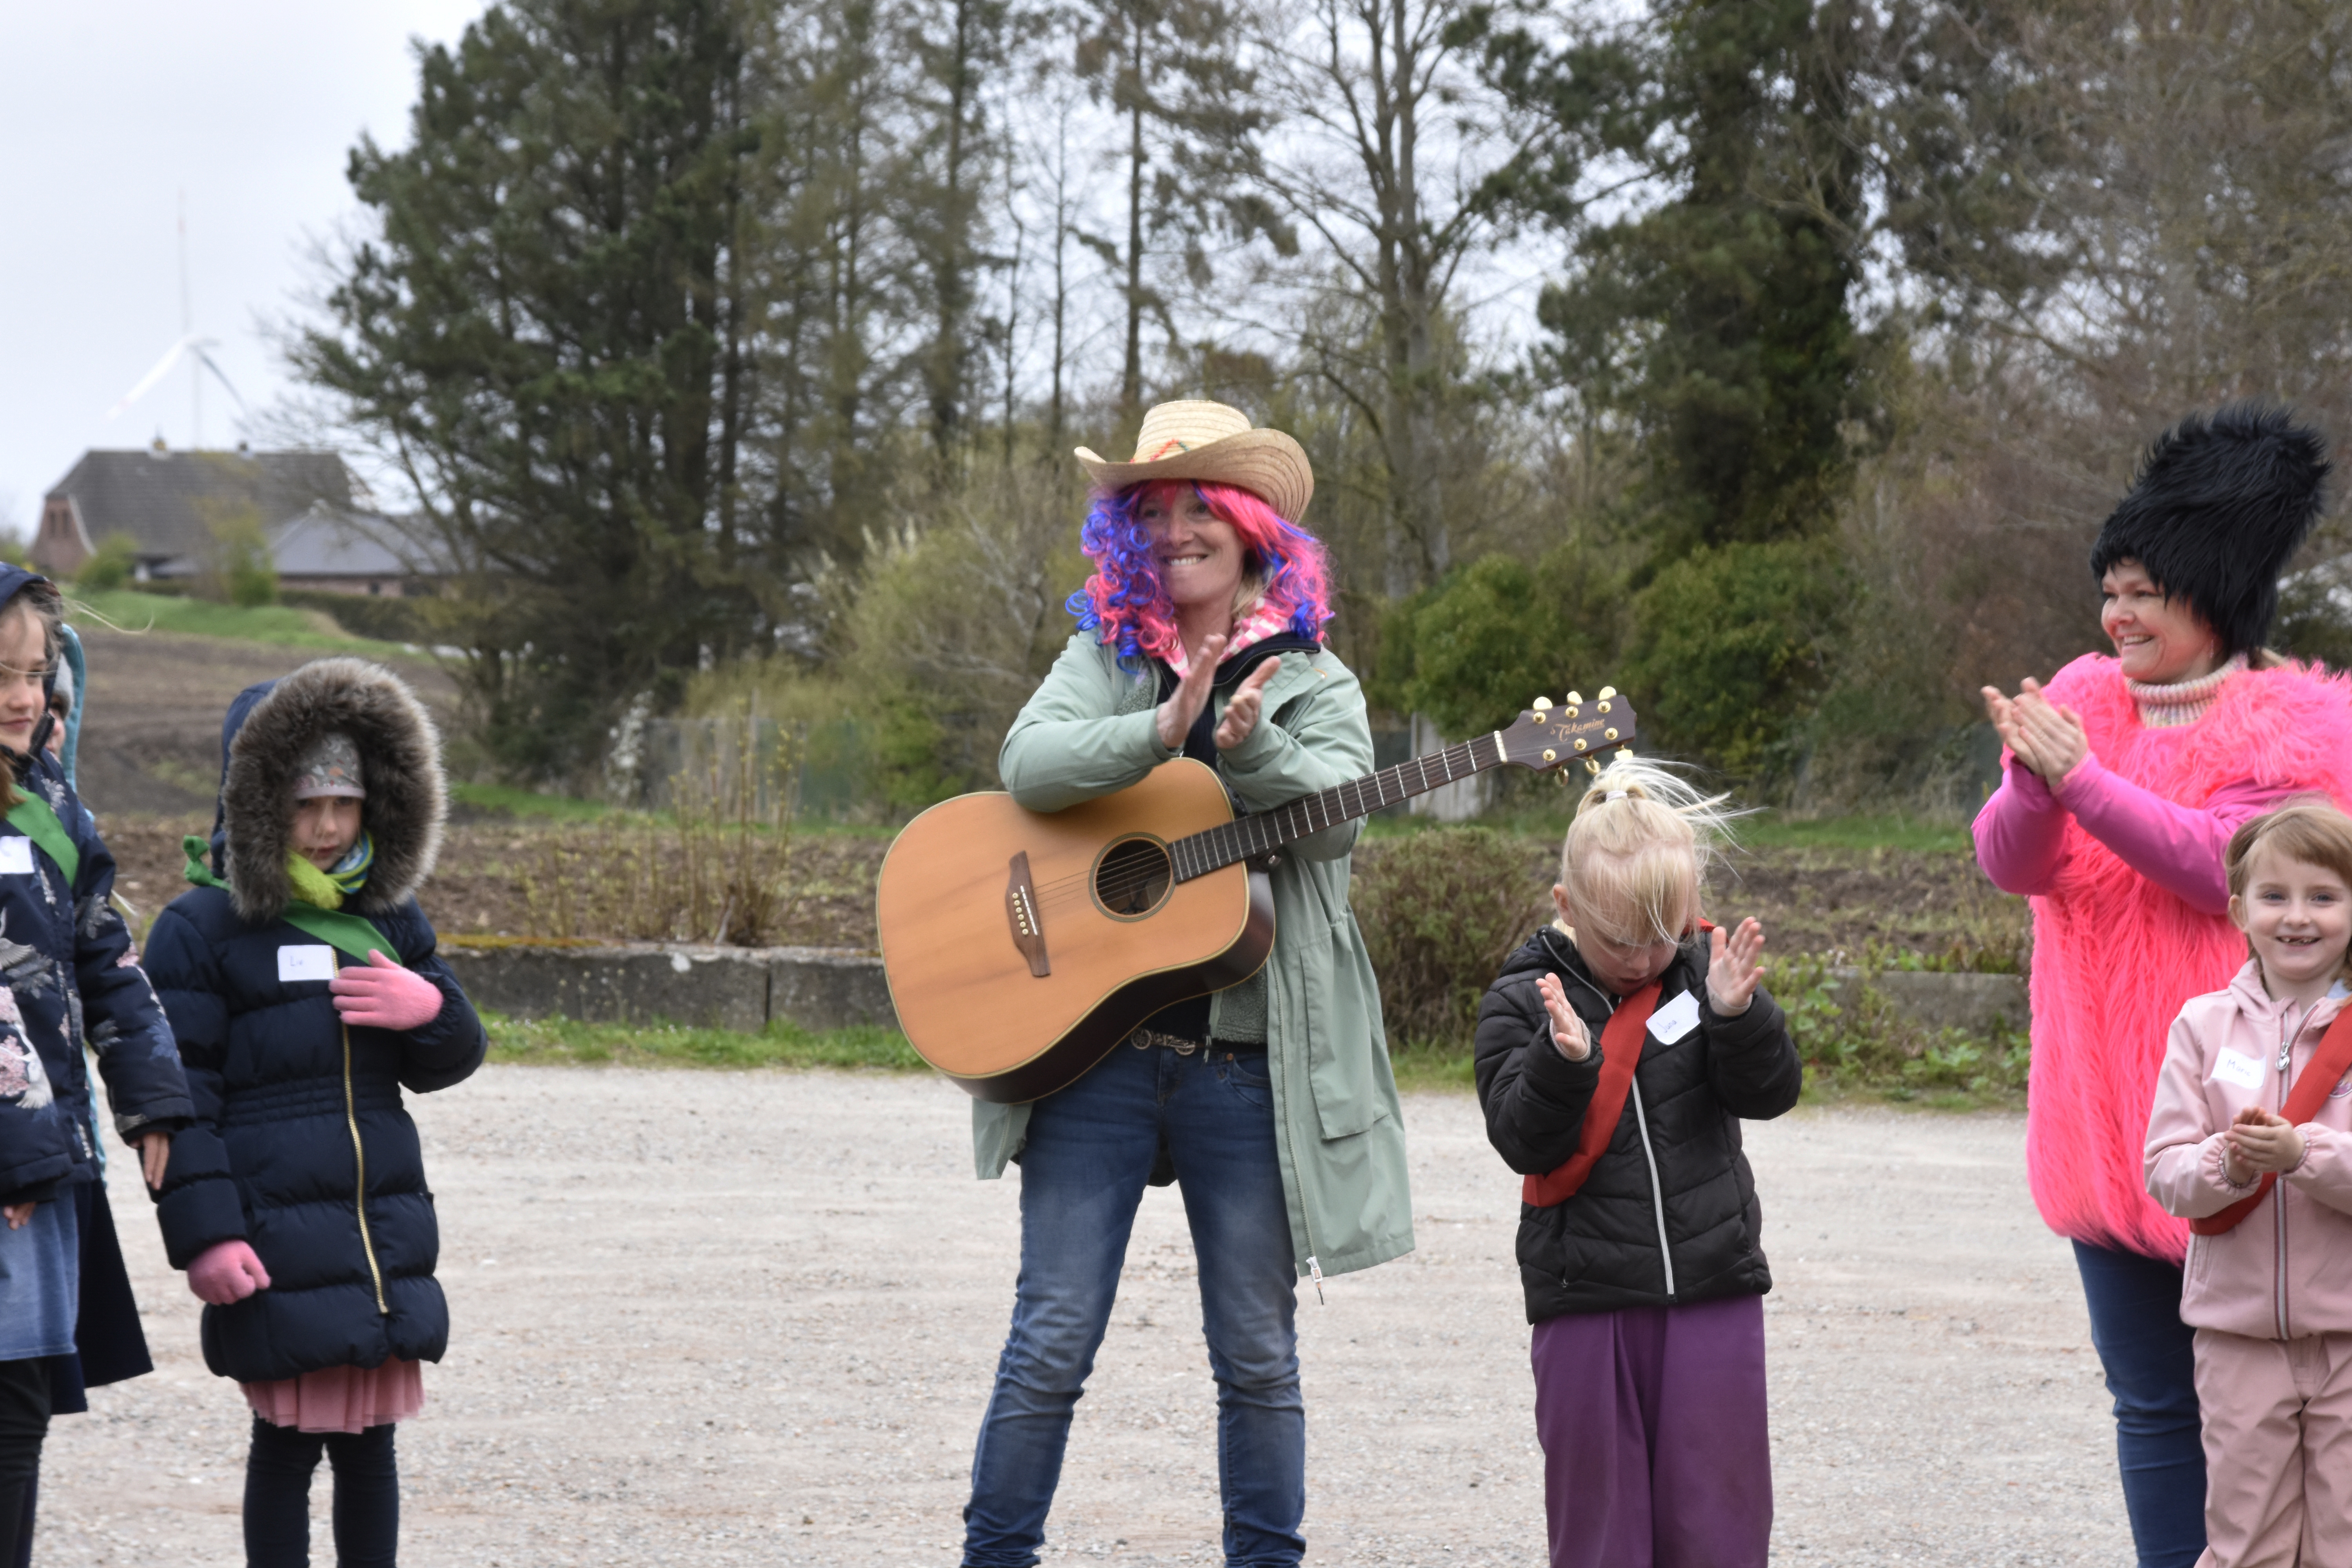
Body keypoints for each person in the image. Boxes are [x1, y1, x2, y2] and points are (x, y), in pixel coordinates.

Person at [960, 401, 1413, 1568]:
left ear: (1252, 527)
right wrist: (1161, 729)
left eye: (1200, 507)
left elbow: (1333, 830)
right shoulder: (1106, 657)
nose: (1174, 531)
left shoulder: (1318, 679)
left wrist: (1255, 748)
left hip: (1245, 1066)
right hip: (1095, 1060)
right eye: (1152, 511)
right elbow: (1027, 764)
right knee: (1051, 1341)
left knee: (1257, 1355)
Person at [1975, 403, 2352, 1567]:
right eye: (2111, 592)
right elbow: (2011, 863)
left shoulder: (2297, 723)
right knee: (2150, 1404)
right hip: (2102, 1120)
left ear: (2217, 596)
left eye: (2145, 592)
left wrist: (2079, 778)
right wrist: (2033, 779)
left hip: (2251, 1127)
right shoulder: (2082, 698)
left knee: (2278, 1411)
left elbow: (2219, 863)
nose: (2119, 616)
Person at [143, 657, 486, 1568]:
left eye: (347, 802)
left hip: (377, 1235)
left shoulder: (389, 914)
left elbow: (451, 1057)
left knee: (372, 1447)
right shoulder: (200, 928)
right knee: (287, 1444)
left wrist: (434, 1012)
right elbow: (178, 1098)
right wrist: (207, 1233)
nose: (330, 827)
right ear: (255, 802)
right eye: (306, 805)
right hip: (275, 1232)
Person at [1474, 755, 1800, 1568]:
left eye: (1663, 933)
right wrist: (1561, 1063)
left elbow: (1771, 1092)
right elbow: (1521, 1140)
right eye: (1619, 937)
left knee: (1720, 1523)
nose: (1642, 957)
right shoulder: (1522, 1000)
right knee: (1602, 1530)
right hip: (1585, 1301)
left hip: (1714, 1287)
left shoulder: (1705, 973)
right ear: (1566, 906)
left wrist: (1738, 1017)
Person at [0, 567, 191, 1563]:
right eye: (1, 674)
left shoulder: (53, 806)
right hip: (15, 1155)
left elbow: (104, 957)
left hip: (38, 1161)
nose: (22, 696)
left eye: (35, 673)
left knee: (21, 1400)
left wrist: (151, 1094)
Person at [2145, 802, 2352, 1566]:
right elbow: (2164, 1170)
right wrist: (2227, 1165)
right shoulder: (2201, 1026)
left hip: (2350, 1336)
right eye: (2275, 895)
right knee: (2248, 1542)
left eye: (2323, 896)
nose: (2298, 916)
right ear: (2239, 911)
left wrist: (2304, 1154)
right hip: (2237, 1339)